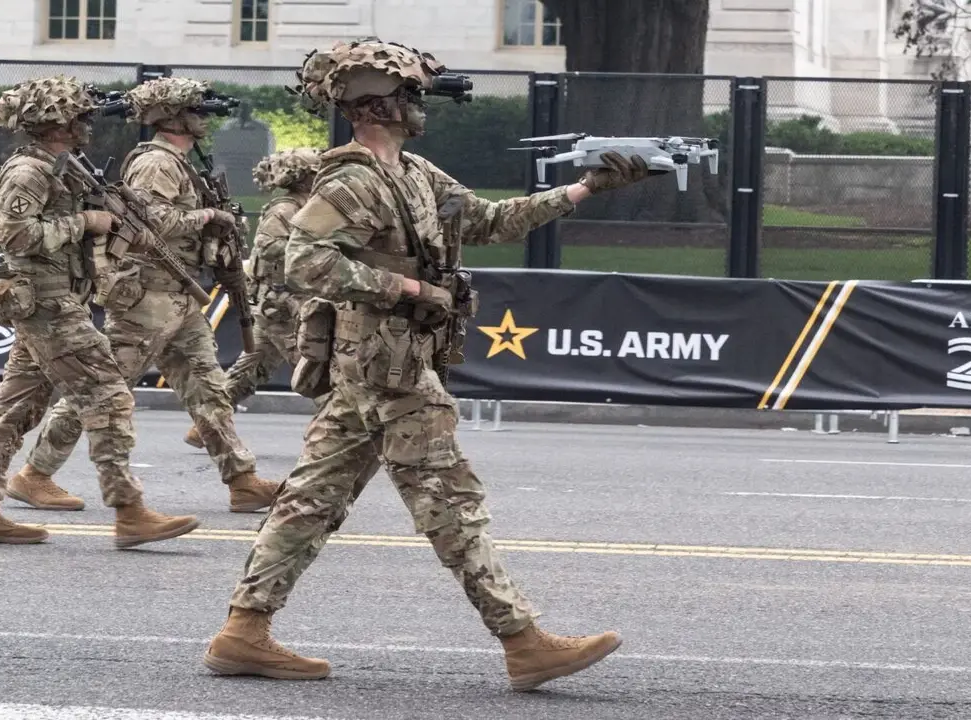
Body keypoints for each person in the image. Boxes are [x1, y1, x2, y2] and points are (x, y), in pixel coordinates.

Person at [202, 39, 659, 690]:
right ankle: (523, 641)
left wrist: (584, 188)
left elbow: (491, 221)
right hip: (388, 368)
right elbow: (302, 261)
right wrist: (407, 288)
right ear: (376, 105)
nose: (422, 105)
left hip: (377, 367)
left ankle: (243, 631)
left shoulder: (415, 173)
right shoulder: (353, 179)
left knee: (311, 499)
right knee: (448, 497)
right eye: (411, 94)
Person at [0, 75, 200, 549]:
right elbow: (14, 235)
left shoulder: (64, 168)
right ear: (57, 123)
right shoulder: (29, 171)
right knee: (109, 396)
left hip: (57, 298)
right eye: (80, 117)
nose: (88, 125)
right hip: (46, 302)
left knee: (17, 407)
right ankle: (130, 512)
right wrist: (85, 221)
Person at [16, 76, 282, 514]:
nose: (204, 120)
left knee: (209, 389)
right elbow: (151, 221)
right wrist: (208, 216)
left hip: (179, 295)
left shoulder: (182, 162)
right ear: (172, 116)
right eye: (195, 112)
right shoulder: (156, 162)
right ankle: (34, 474)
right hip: (146, 298)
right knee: (103, 388)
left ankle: (242, 479)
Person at [182, 148, 325, 449]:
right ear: (303, 177)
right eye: (316, 173)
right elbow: (269, 248)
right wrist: (314, 252)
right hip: (283, 307)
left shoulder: (306, 206)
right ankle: (331, 434)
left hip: (280, 306)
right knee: (317, 369)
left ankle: (206, 427)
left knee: (249, 372)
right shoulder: (285, 210)